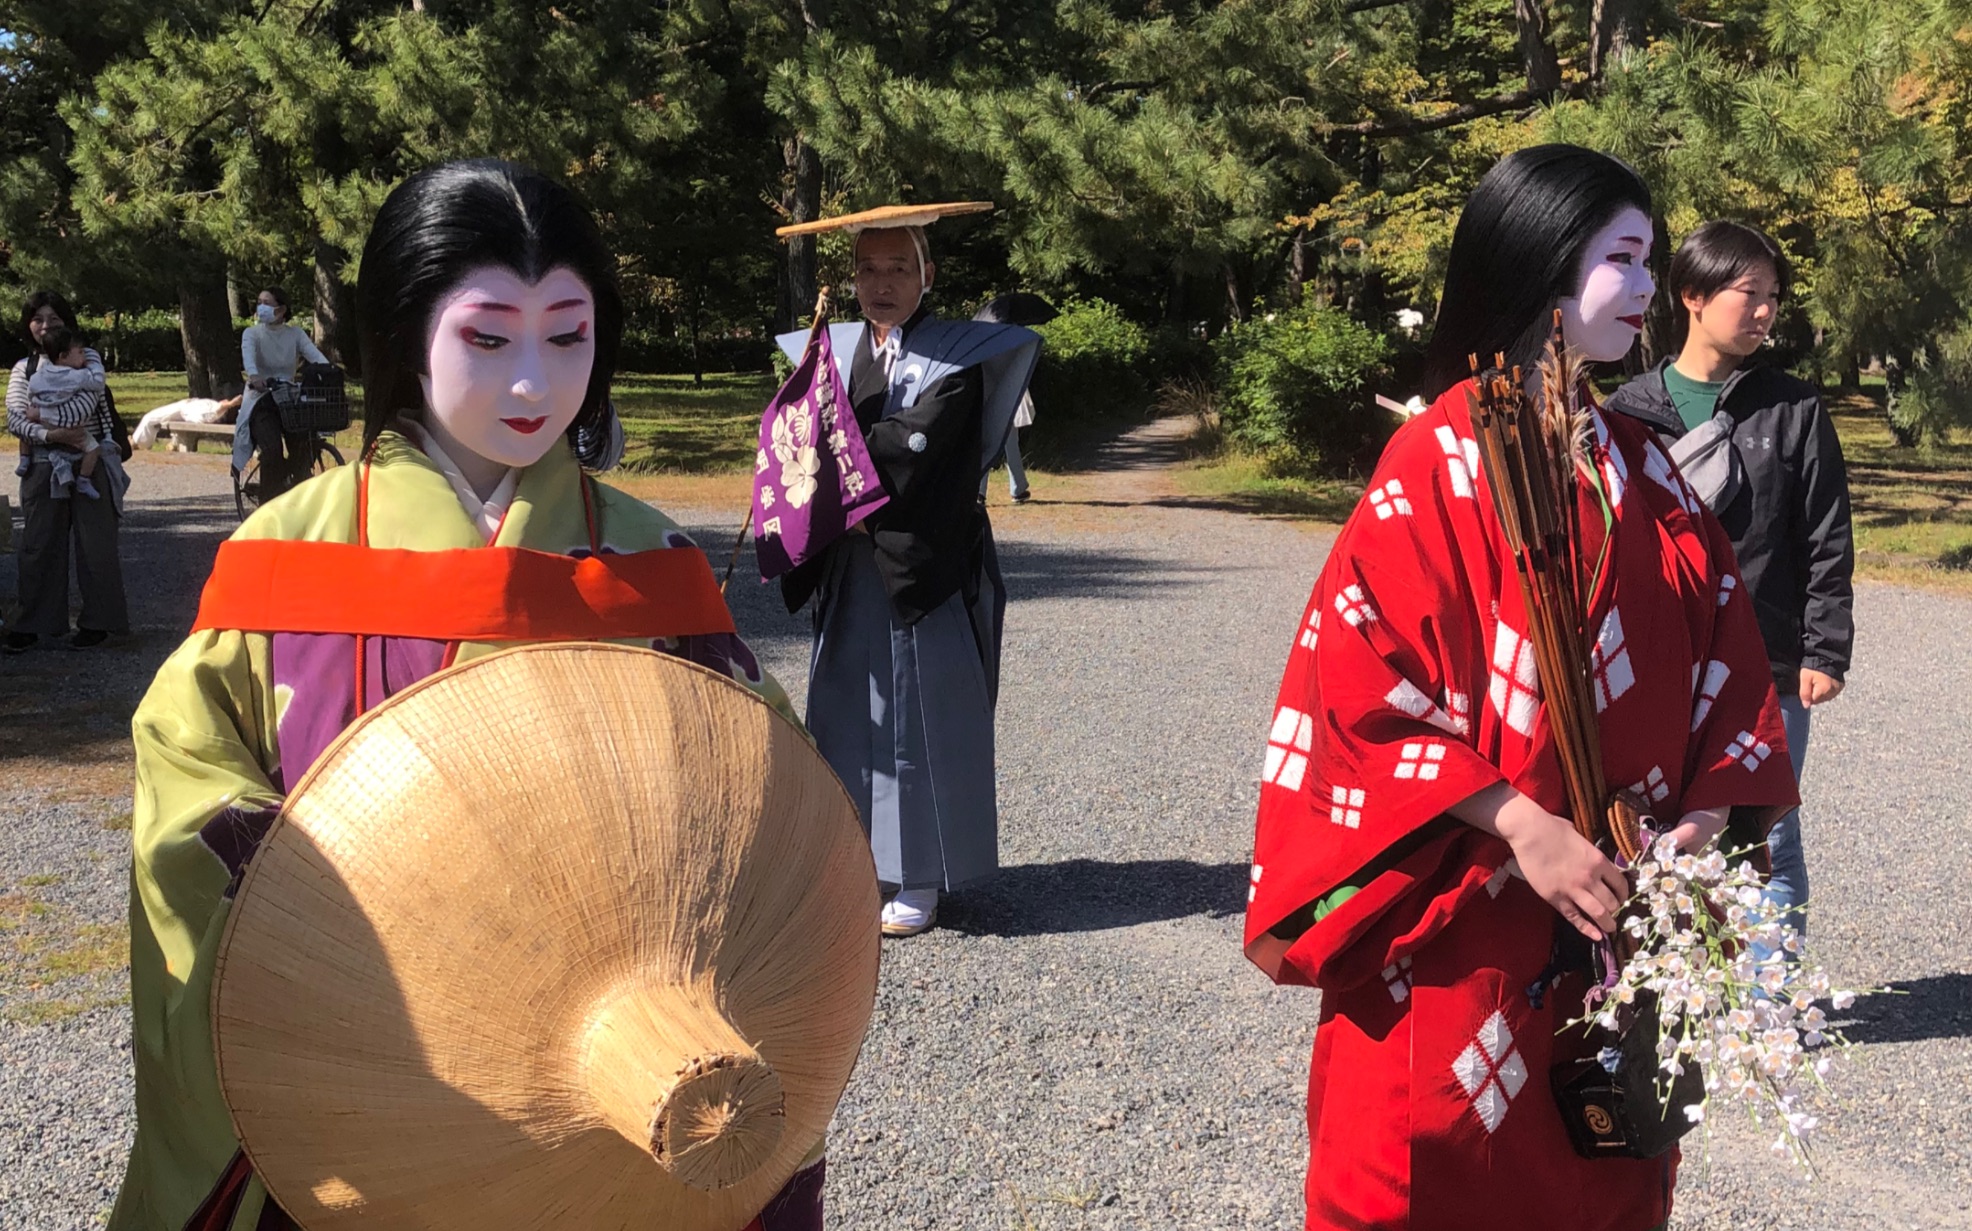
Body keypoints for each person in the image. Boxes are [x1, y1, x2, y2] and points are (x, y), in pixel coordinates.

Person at [113, 160, 823, 1231]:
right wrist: (320, 942)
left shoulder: (647, 563)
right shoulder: (286, 552)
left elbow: (764, 809)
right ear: (405, 334)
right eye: (488, 339)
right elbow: (190, 789)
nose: (534, 383)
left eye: (568, 334)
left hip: (605, 1074)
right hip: (361, 1055)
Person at [1243, 145, 1799, 1231]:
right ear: (1544, 264)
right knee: (1436, 1161)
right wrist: (1521, 825)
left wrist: (1705, 813)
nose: (1648, 287)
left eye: (1646, 260)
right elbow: (1359, 685)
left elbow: (1725, 657)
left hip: (1613, 909)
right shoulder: (1434, 461)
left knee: (1599, 1166)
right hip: (1464, 909)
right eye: (1624, 259)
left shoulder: (1639, 463)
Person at [777, 207, 1038, 937]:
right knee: (846, 713)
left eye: (899, 268)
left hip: (919, 565)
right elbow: (801, 433)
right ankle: (852, 863)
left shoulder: (956, 358)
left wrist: (831, 458)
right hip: (851, 568)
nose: (882, 283)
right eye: (868, 269)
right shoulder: (833, 350)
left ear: (929, 274)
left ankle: (920, 873)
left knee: (919, 721)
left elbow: (910, 449)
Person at [1605, 220, 1854, 943]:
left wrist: (1824, 650)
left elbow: (1825, 535)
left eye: (1773, 295)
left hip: (1767, 668)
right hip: (1657, 666)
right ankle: (1665, 1010)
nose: (1766, 310)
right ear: (1692, 294)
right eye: (1751, 293)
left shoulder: (1795, 409)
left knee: (1764, 834)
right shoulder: (1627, 412)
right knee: (1651, 828)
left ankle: (1766, 1016)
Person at [4, 290, 130, 652]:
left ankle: (99, 622)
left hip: (91, 463)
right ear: (28, 325)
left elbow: (85, 404)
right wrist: (51, 433)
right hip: (43, 463)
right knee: (38, 545)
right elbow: (15, 417)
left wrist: (45, 419)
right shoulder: (23, 368)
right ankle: (33, 622)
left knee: (97, 545)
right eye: (38, 319)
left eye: (54, 319)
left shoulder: (87, 359)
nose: (45, 326)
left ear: (67, 322)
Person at [233, 285, 329, 501]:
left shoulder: (295, 334)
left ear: (282, 309)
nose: (261, 308)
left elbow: (316, 357)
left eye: (267, 303)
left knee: (307, 445)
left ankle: (288, 485)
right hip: (261, 400)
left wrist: (329, 371)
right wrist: (255, 376)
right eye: (259, 303)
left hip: (288, 398)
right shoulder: (252, 334)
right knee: (272, 451)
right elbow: (249, 359)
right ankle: (267, 503)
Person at [23, 326, 107, 499]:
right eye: (81, 352)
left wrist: (37, 409)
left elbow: (30, 393)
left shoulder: (39, 375)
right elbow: (98, 383)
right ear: (63, 356)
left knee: (25, 430)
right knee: (93, 449)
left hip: (43, 423)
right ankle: (83, 479)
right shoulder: (77, 376)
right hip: (69, 424)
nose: (84, 356)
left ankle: (24, 458)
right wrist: (94, 361)